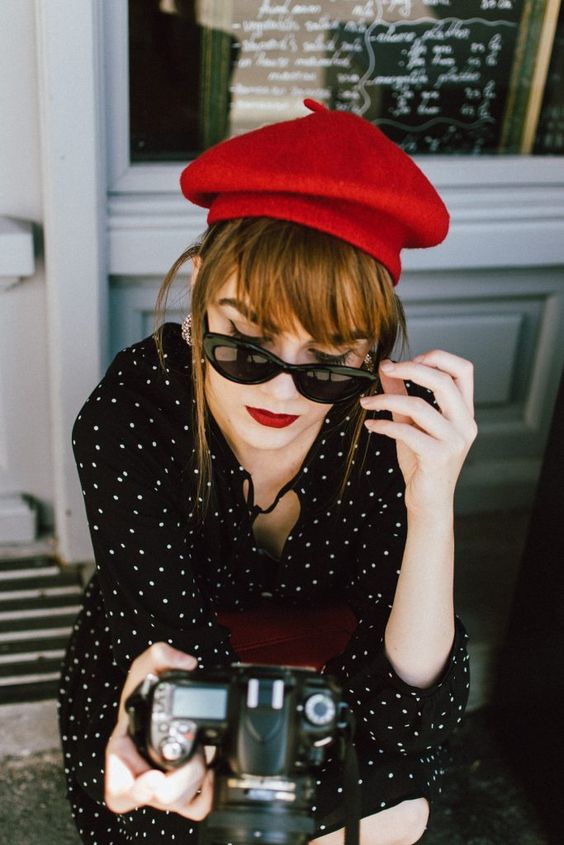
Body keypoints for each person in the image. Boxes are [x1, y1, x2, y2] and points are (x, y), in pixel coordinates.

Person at [58, 99, 476, 845]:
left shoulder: (384, 423)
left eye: (327, 362)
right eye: (246, 346)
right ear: (198, 296)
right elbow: (177, 659)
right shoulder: (134, 411)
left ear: (370, 350)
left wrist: (433, 499)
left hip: (324, 674)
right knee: (191, 805)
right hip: (170, 655)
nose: (281, 392)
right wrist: (196, 756)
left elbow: (413, 706)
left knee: (397, 807)